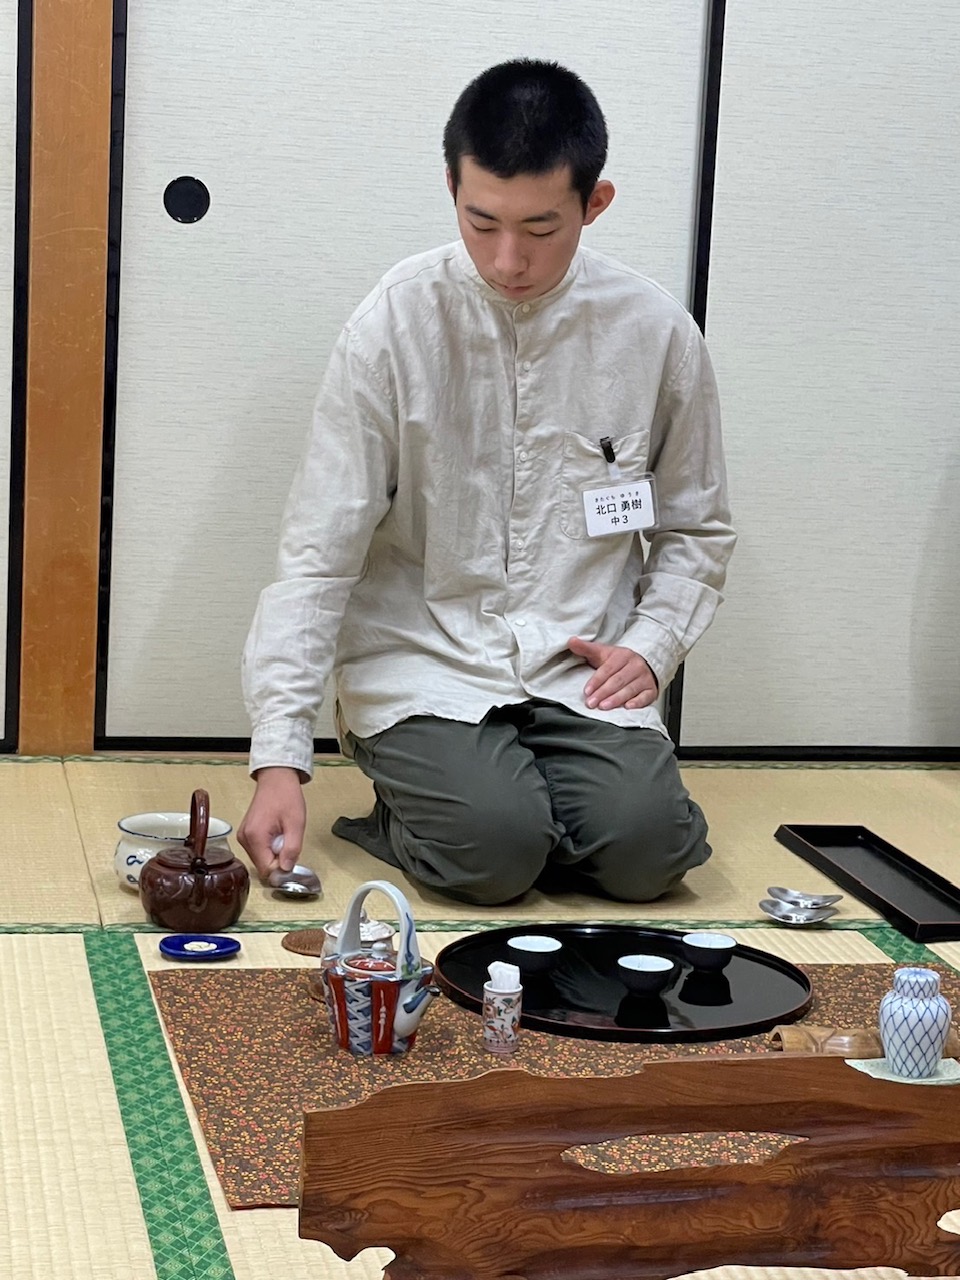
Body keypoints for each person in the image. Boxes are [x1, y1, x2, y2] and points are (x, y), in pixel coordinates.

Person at [238, 58, 735, 906]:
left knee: (652, 855)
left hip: (579, 662)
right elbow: (319, 551)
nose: (509, 259)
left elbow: (697, 526)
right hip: (423, 657)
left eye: (541, 228)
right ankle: (439, 815)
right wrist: (279, 757)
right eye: (481, 222)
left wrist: (653, 644)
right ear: (452, 188)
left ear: (595, 202)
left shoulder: (655, 332)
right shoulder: (392, 325)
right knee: (493, 856)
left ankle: (529, 811)